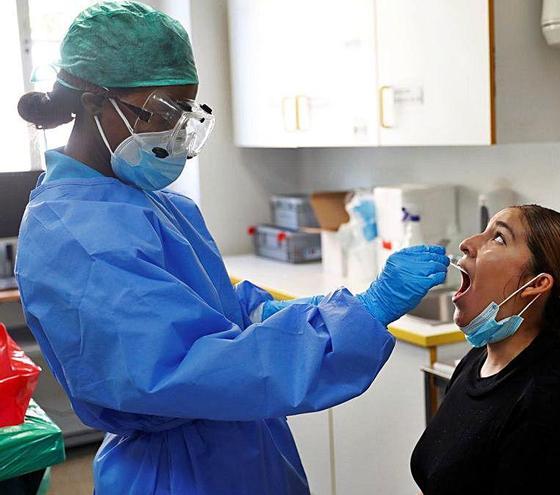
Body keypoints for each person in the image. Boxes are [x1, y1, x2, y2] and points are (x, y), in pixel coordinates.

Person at [14, 2, 448, 494]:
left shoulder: (153, 204)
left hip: (237, 449)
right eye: (162, 112)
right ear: (95, 102)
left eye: (186, 113)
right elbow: (194, 368)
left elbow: (233, 316)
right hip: (177, 473)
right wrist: (362, 316)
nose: (176, 134)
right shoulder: (75, 233)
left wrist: (340, 310)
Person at [411, 205, 560, 494]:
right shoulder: (477, 361)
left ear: (536, 284)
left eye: (499, 238)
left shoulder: (547, 402)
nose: (467, 244)